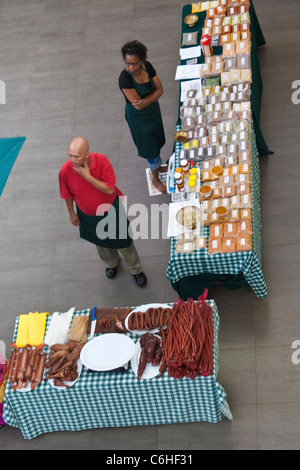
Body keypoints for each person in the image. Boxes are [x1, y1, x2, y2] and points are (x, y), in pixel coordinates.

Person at [59, 137, 147, 287]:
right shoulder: (65, 171)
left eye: (77, 156)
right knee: (101, 243)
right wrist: (71, 212)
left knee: (124, 242)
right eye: (70, 155)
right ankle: (112, 263)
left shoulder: (101, 161)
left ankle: (135, 269)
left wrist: (86, 176)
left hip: (111, 210)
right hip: (87, 216)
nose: (72, 160)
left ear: (87, 154)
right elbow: (66, 194)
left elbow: (108, 188)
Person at [119, 40, 167, 194]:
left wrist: (147, 100)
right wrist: (152, 98)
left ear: (142, 60)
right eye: (128, 63)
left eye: (134, 63)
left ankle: (157, 166)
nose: (131, 67)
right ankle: (155, 178)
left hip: (153, 113)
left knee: (157, 139)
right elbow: (138, 105)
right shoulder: (124, 78)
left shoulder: (148, 66)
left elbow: (161, 89)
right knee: (150, 148)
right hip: (139, 119)